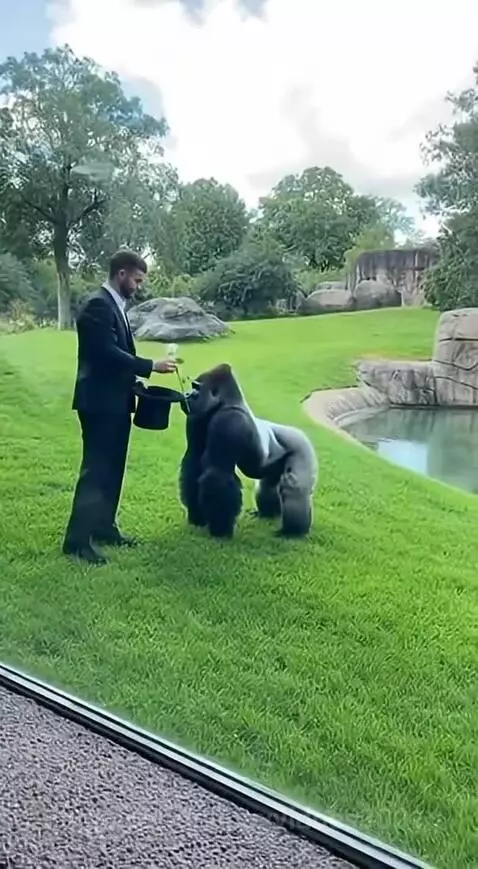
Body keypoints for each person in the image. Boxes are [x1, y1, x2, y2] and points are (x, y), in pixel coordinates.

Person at [62, 249, 177, 565]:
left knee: (113, 468)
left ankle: (103, 527)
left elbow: (115, 360)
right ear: (122, 273)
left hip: (116, 400)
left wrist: (136, 386)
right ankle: (77, 541)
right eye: (137, 280)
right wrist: (149, 365)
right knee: (96, 470)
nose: (138, 286)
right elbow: (105, 354)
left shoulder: (115, 305)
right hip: (98, 404)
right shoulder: (98, 305)